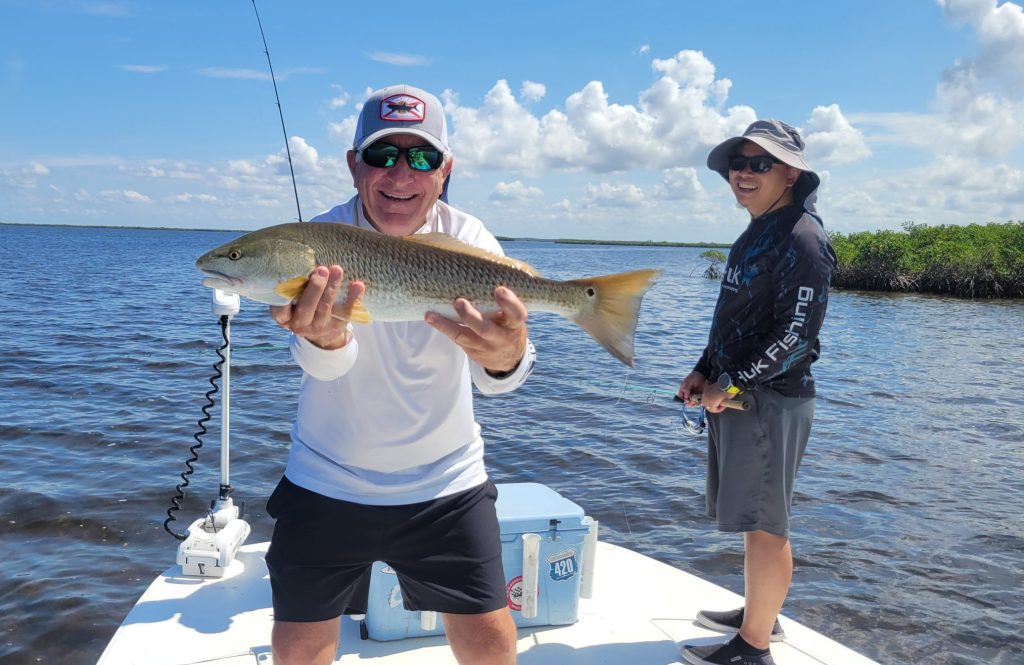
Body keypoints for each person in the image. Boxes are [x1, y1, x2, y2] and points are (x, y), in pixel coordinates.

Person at [264, 84, 535, 665]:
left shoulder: (470, 240)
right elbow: (325, 366)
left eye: (423, 157)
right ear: (353, 164)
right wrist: (325, 339)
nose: (402, 173)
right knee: (297, 649)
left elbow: (501, 378)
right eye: (383, 154)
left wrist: (506, 353)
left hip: (447, 481)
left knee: (490, 641)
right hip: (326, 478)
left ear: (445, 170)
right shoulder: (314, 244)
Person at [678, 119, 836, 665]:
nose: (743, 173)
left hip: (770, 401)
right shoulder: (757, 231)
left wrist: (733, 383)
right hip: (740, 397)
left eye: (760, 164)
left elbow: (796, 335)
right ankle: (759, 614)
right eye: (737, 164)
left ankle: (754, 646)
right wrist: (704, 370)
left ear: (790, 173)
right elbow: (734, 318)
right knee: (753, 516)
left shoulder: (803, 238)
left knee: (767, 525)